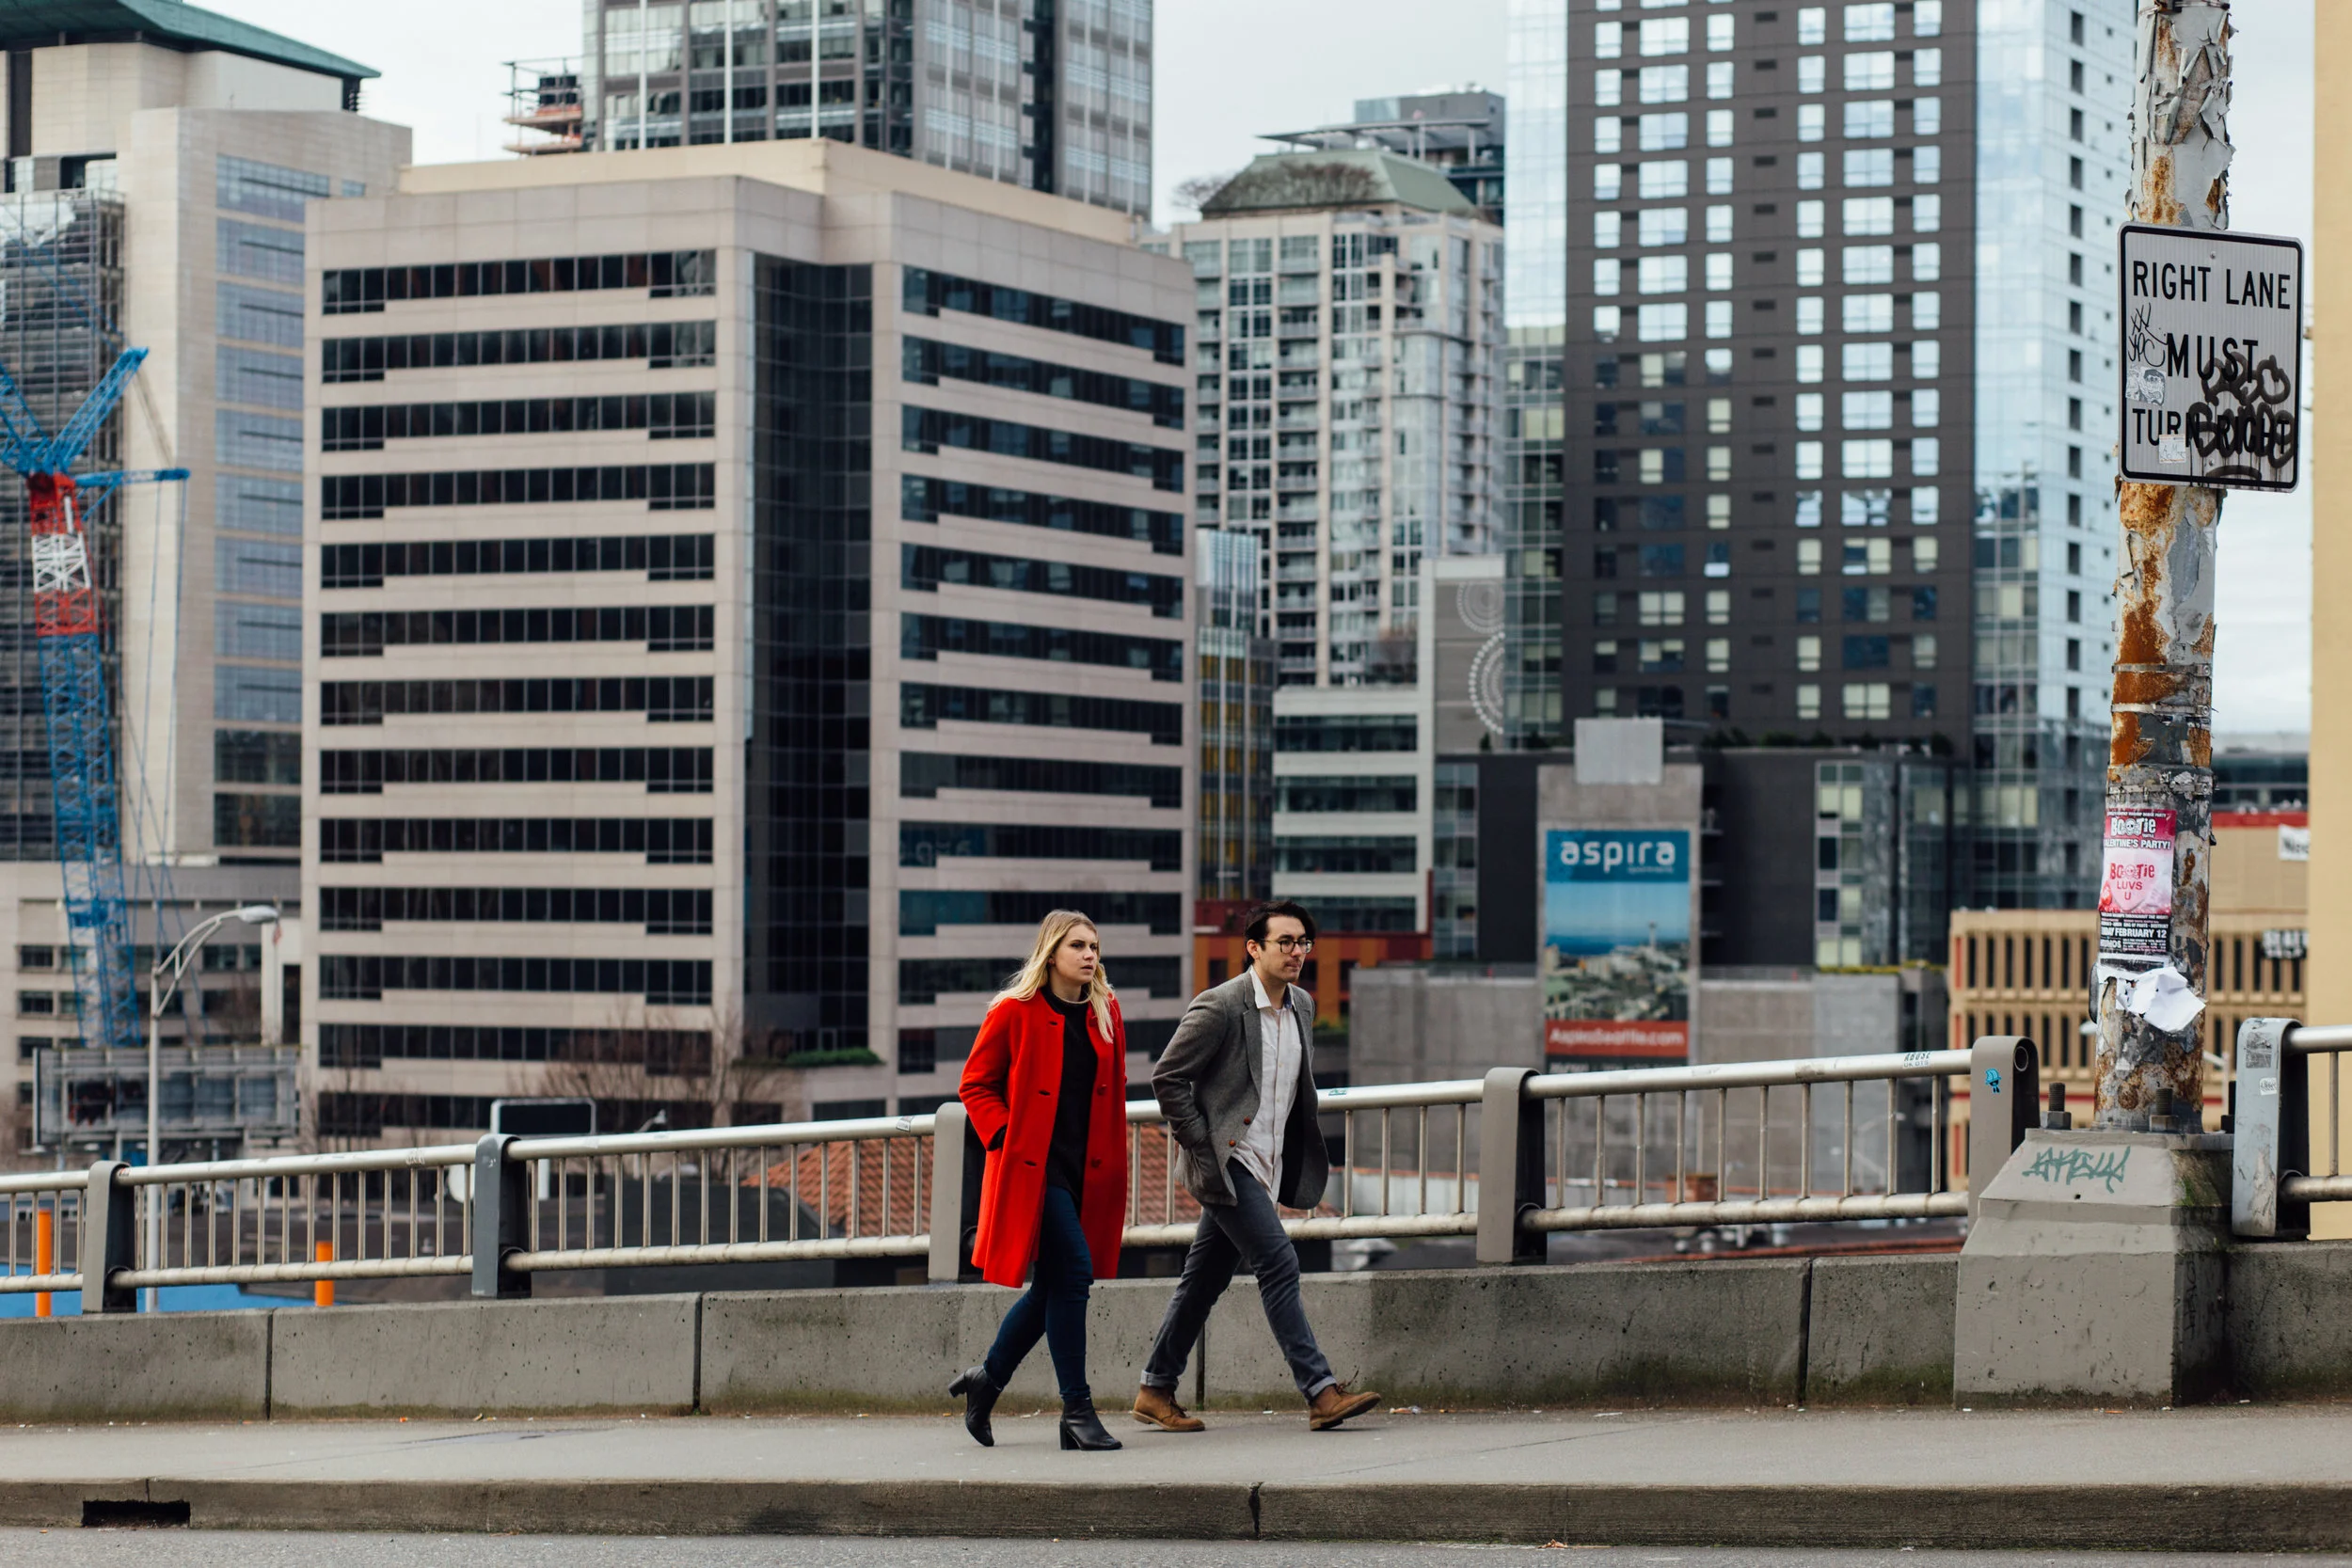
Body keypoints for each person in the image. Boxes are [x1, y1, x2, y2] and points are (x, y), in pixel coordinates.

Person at [1132, 900, 1381, 1433]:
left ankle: (1155, 1388)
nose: (1296, 953)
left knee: (1203, 1280)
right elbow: (1167, 1078)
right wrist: (1202, 1145)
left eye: (1303, 944)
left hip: (1267, 1164)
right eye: (1285, 942)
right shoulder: (1220, 1006)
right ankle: (1320, 1392)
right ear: (1254, 947)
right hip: (1229, 1162)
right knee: (1278, 1261)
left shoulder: (1303, 1007)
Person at [948, 910, 1130, 1451]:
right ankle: (1077, 1409)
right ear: (1052, 953)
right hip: (1033, 1171)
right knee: (1074, 1273)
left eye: (1095, 946)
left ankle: (987, 1379)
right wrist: (1007, 1137)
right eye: (1078, 945)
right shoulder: (1014, 1011)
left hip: (1086, 1168)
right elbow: (975, 1086)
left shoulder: (1107, 1011)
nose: (1090, 955)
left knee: (1054, 1285)